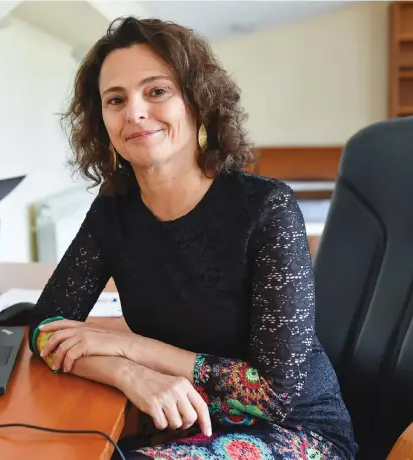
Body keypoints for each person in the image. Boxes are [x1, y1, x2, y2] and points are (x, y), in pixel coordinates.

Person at [27, 16, 357, 460]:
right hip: (181, 421)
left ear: (197, 102)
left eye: (156, 91)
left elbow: (273, 395)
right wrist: (128, 373)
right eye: (115, 100)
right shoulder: (113, 210)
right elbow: (46, 326)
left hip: (298, 434)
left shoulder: (265, 208)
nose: (135, 113)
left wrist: (129, 345)